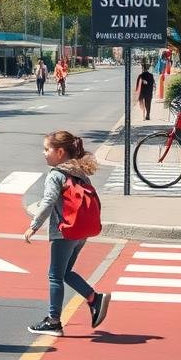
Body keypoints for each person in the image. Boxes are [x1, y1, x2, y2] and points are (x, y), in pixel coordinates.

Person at [24, 130, 111, 336]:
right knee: (65, 273)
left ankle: (54, 321)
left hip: (64, 231)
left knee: (55, 275)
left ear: (60, 151)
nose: (44, 153)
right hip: (81, 232)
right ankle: (93, 298)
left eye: (47, 149)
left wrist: (34, 225)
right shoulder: (79, 171)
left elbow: (48, 201)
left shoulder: (56, 174)